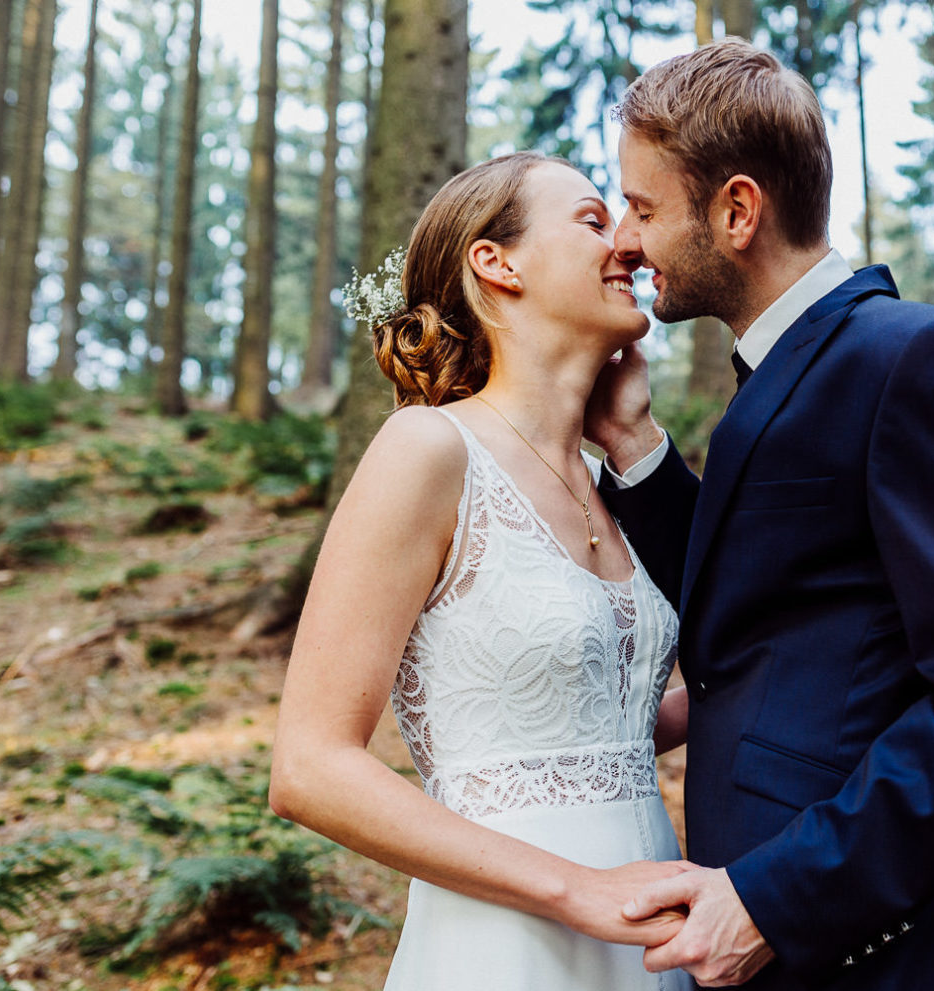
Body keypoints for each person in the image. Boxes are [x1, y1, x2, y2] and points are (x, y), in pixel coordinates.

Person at [583, 40, 934, 990]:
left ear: (736, 210)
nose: (625, 242)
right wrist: (636, 447)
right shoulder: (780, 377)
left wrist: (780, 899)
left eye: (643, 208)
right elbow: (761, 608)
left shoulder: (917, 360)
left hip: (867, 951)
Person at [269, 151, 696, 990]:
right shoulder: (429, 449)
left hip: (651, 929)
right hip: (509, 940)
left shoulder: (611, 484)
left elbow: (583, 728)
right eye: (588, 219)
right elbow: (309, 766)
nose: (626, 243)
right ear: (496, 263)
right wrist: (575, 890)